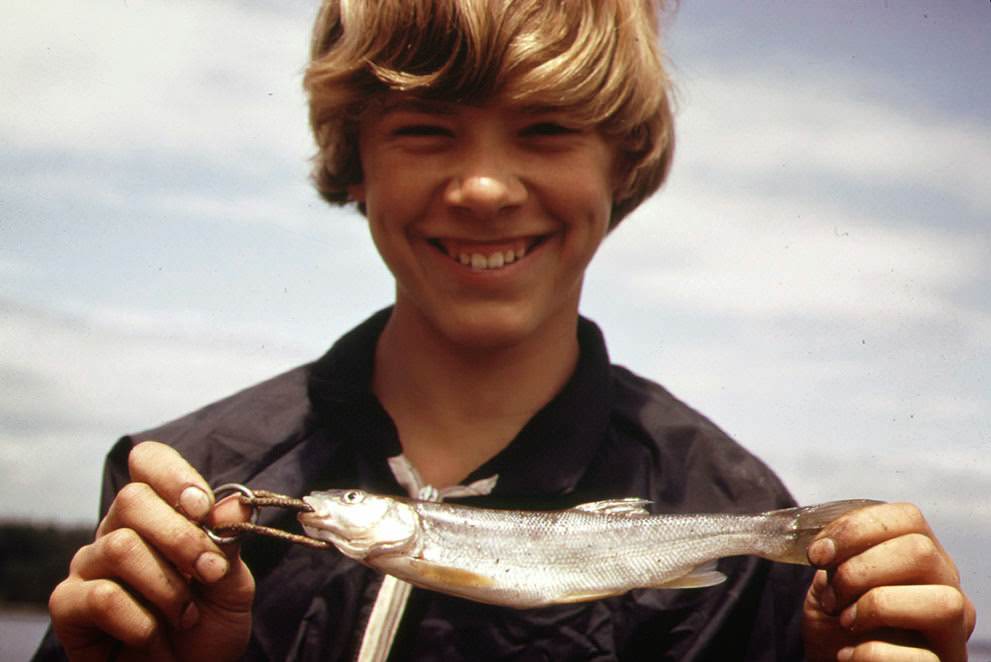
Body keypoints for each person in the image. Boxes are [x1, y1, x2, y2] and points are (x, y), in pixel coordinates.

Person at [37, 1, 974, 660]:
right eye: (425, 130)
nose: (483, 188)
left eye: (546, 130)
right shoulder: (191, 481)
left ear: (622, 165)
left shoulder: (741, 519)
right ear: (352, 160)